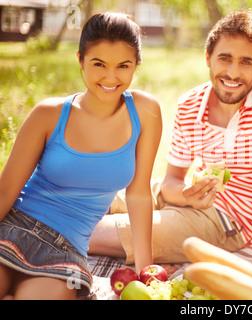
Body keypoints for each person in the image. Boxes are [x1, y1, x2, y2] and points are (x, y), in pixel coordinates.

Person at [88, 9, 252, 264]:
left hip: (230, 223)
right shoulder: (190, 104)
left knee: (93, 232)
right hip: (187, 196)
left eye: (246, 62)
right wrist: (187, 195)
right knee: (86, 197)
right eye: (224, 58)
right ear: (208, 57)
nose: (233, 72)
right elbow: (171, 182)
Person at [0, 12, 162, 299]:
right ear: (80, 60)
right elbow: (5, 193)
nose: (111, 77)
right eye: (98, 64)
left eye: (123, 66)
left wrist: (146, 271)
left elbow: (138, 195)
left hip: (66, 251)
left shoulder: (146, 112)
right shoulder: (48, 115)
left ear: (136, 64)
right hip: (12, 229)